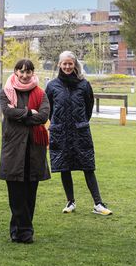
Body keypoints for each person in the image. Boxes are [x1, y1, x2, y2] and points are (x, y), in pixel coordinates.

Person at [45, 51, 112, 216]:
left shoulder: (84, 85)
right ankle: (70, 201)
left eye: (70, 63)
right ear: (59, 65)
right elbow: (49, 110)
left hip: (80, 132)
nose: (67, 66)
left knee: (88, 167)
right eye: (64, 63)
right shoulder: (52, 86)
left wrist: (79, 122)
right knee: (64, 166)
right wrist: (59, 123)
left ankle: (98, 203)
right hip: (60, 132)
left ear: (75, 64)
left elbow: (88, 109)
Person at [0, 59, 50, 244]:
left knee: (29, 193)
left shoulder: (41, 93)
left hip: (34, 149)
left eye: (28, 72)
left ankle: (18, 231)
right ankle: (26, 232)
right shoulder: (7, 91)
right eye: (22, 71)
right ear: (16, 72)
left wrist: (20, 113)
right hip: (13, 149)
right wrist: (30, 113)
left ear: (32, 73)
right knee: (15, 193)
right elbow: (7, 112)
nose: (25, 75)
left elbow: (44, 116)